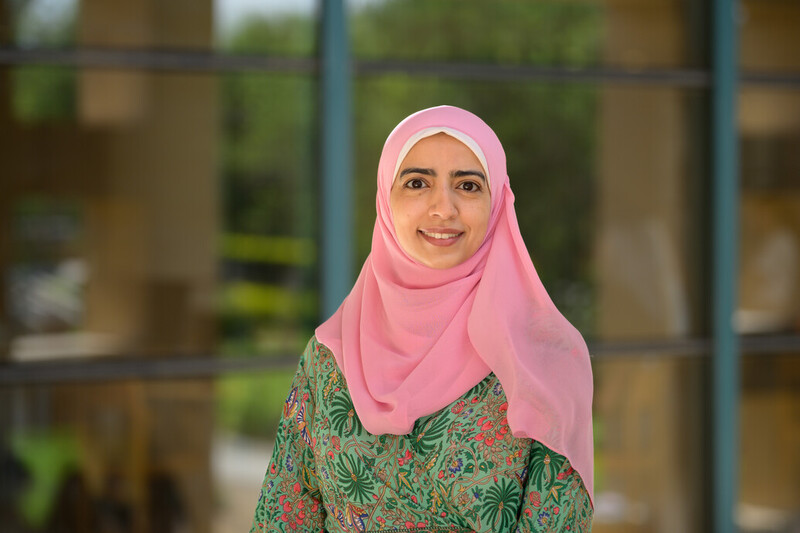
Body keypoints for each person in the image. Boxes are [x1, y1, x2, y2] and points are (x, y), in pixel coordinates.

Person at [249, 106, 594, 533]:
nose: (442, 208)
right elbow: (284, 515)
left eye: (468, 186)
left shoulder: (545, 359)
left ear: (498, 203)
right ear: (385, 198)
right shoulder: (328, 356)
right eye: (417, 183)